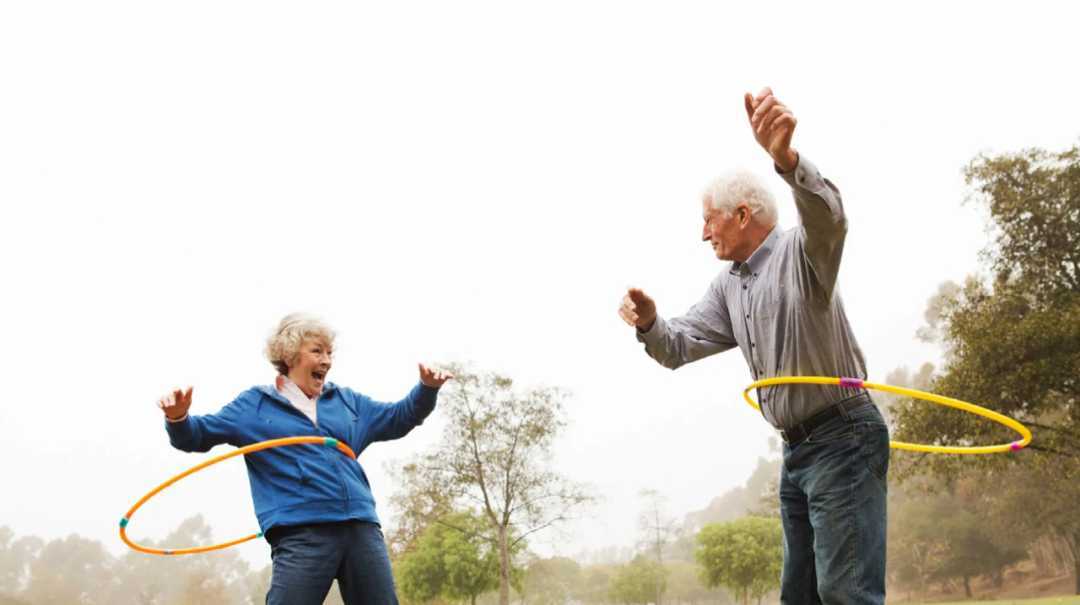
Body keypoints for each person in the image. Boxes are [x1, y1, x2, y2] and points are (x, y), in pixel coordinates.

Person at [618, 88, 889, 604]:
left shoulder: (802, 252)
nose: (703, 234)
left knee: (845, 595)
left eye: (709, 219)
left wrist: (786, 161)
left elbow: (830, 219)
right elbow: (678, 345)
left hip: (844, 436)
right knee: (799, 597)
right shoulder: (729, 285)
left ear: (742, 215)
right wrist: (650, 322)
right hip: (797, 449)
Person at [157, 312, 452, 605]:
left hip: (360, 528)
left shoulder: (347, 402)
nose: (327, 360)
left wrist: (426, 390)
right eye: (317, 351)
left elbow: (399, 417)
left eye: (329, 352)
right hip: (302, 533)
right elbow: (196, 436)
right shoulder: (253, 407)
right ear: (289, 355)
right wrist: (178, 417)